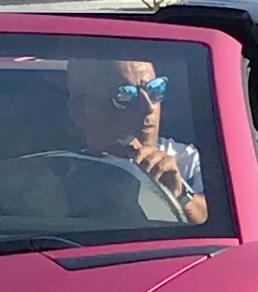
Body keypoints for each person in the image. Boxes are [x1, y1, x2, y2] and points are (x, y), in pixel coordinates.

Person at [65, 56, 209, 224]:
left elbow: (224, 225)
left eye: (155, 89)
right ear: (80, 111)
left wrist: (180, 193)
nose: (148, 107)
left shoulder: (187, 162)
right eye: (125, 95)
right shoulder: (59, 175)